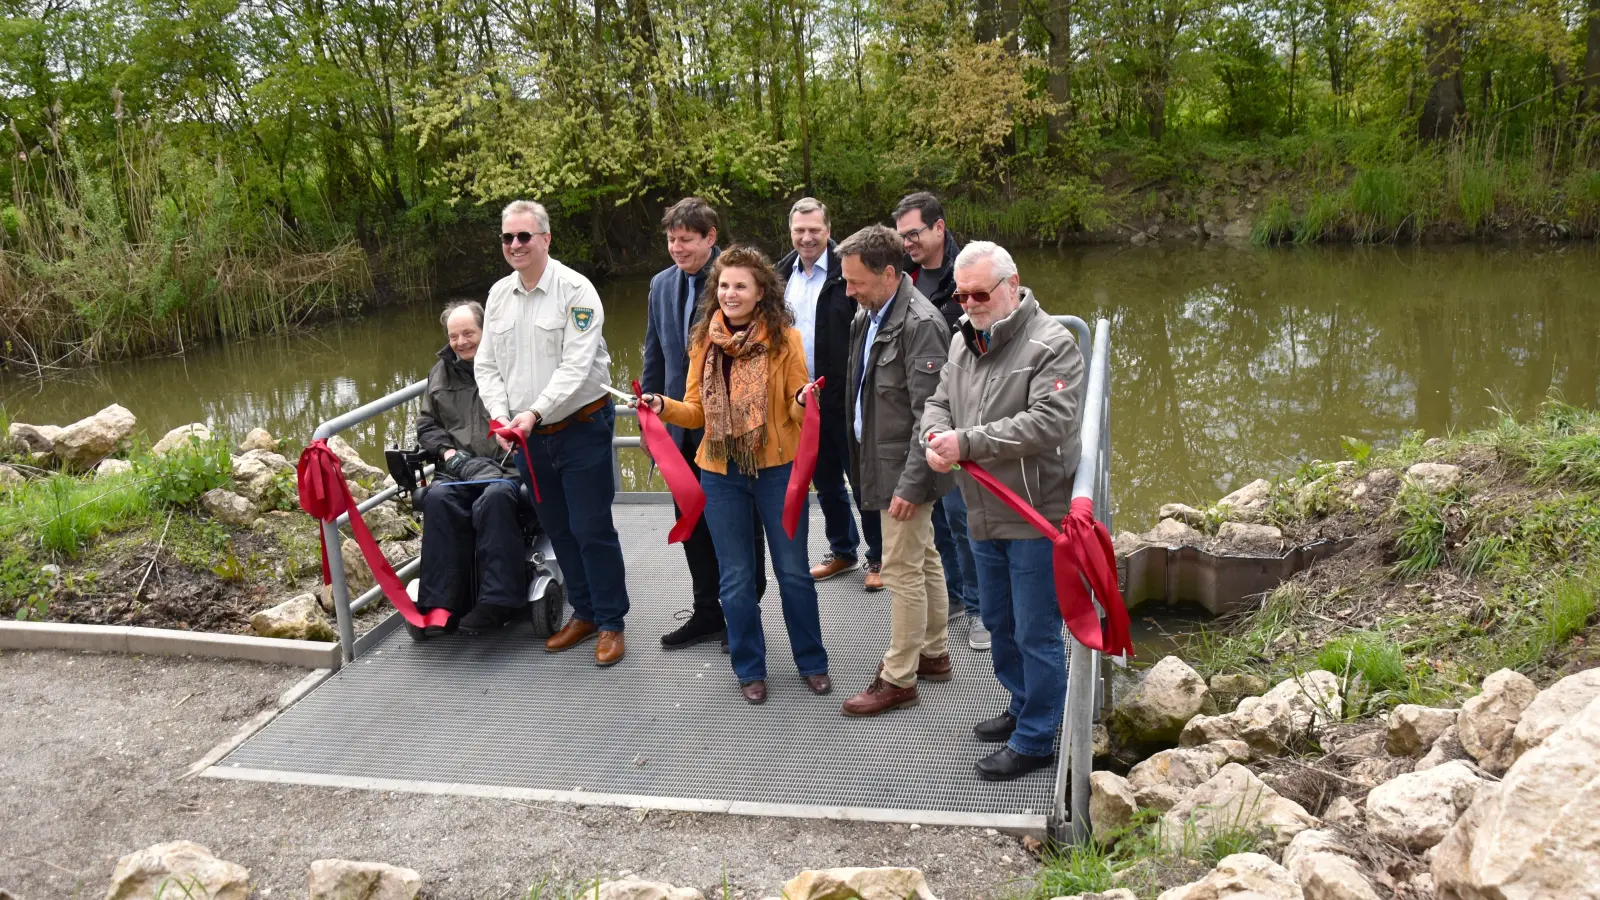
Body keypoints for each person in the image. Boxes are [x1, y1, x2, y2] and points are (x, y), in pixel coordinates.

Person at [638, 246, 832, 705]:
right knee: (736, 579)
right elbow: (695, 412)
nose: (730, 293)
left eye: (740, 285)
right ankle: (749, 667)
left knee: (793, 572)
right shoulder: (703, 341)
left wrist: (803, 402)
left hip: (776, 470)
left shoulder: (787, 340)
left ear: (760, 290)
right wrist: (661, 406)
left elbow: (791, 409)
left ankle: (812, 661)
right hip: (720, 472)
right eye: (723, 285)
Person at [922, 240, 1085, 782]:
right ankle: (1022, 705)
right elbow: (939, 399)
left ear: (1012, 286)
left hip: (1034, 513)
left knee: (1037, 629)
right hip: (979, 510)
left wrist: (964, 443)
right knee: (997, 619)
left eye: (980, 294)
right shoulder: (962, 340)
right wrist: (933, 432)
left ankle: (1038, 736)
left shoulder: (1052, 344)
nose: (968, 303)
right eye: (961, 294)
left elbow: (1051, 422)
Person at [475, 199, 631, 667]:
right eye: (508, 237)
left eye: (524, 236)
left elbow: (576, 366)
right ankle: (583, 613)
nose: (515, 245)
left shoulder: (576, 291)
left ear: (545, 238)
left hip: (580, 427)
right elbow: (486, 365)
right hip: (528, 437)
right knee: (559, 528)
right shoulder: (499, 294)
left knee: (591, 527)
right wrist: (503, 417)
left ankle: (611, 622)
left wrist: (534, 413)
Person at [834, 225, 954, 717]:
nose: (848, 290)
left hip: (904, 469)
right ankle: (934, 651)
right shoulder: (873, 312)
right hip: (880, 461)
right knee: (923, 556)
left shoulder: (920, 323)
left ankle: (898, 677)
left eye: (855, 280)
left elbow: (931, 414)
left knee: (901, 570)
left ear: (888, 273)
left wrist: (910, 485)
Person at [642, 197, 766, 651]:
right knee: (690, 521)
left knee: (740, 523)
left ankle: (743, 614)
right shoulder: (660, 284)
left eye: (686, 240)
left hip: (730, 429)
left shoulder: (735, 282)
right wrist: (648, 424)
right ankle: (708, 612)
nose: (677, 248)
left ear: (710, 238)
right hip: (678, 425)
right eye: (671, 240)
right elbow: (654, 353)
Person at [894, 191, 986, 652]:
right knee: (938, 517)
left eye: (914, 233)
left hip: (965, 410)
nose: (907, 242)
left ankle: (981, 609)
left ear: (939, 228)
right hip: (923, 413)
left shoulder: (970, 273)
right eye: (902, 235)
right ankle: (953, 594)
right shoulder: (904, 275)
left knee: (964, 515)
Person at [776, 198, 884, 593]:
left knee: (861, 479)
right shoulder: (780, 274)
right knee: (824, 481)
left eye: (814, 230)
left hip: (846, 393)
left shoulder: (847, 270)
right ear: (791, 232)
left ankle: (880, 555)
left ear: (828, 228)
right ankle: (843, 550)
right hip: (803, 400)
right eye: (799, 231)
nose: (807, 238)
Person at [412, 300, 527, 634]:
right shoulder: (440, 373)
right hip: (458, 468)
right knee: (437, 499)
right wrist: (448, 454)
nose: (461, 342)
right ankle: (443, 601)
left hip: (505, 467)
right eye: (454, 336)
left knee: (494, 499)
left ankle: (497, 601)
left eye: (468, 333)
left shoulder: (511, 365)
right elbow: (427, 425)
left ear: (485, 330)